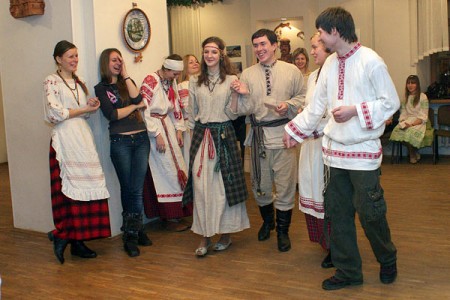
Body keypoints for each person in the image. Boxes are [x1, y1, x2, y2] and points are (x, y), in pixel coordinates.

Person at [283, 7, 398, 290]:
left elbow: (391, 102)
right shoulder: (330, 65)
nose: (319, 37)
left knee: (371, 213)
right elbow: (316, 107)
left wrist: (356, 111)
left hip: (363, 155)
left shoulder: (372, 61)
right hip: (334, 155)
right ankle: (348, 271)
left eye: (322, 32)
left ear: (335, 32)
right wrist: (293, 131)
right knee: (339, 215)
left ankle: (387, 258)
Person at [231, 29, 304, 252]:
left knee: (285, 186)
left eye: (263, 44)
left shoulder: (292, 71)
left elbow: (303, 98)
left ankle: (283, 232)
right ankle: (267, 222)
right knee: (260, 187)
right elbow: (242, 110)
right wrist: (243, 93)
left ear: (274, 46)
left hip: (284, 138)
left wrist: (289, 105)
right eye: (256, 45)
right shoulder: (248, 75)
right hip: (258, 138)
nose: (259, 49)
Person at [44, 40, 111, 264]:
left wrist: (88, 104)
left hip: (82, 138)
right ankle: (63, 236)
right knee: (68, 192)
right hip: (64, 139)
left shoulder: (79, 82)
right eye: (70, 56)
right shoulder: (51, 81)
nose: (74, 60)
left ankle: (78, 241)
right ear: (58, 59)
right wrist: (84, 108)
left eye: (76, 56)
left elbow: (80, 112)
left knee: (86, 187)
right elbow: (54, 113)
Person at [182, 36, 249, 257]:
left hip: (224, 135)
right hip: (202, 137)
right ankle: (204, 235)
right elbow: (191, 114)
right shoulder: (194, 81)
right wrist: (193, 144)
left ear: (221, 54)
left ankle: (226, 234)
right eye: (205, 52)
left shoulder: (231, 79)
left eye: (213, 51)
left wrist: (236, 95)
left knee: (223, 189)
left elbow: (233, 113)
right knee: (202, 190)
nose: (209, 56)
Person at [94, 48, 151, 258]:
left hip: (141, 140)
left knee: (136, 188)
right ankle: (132, 235)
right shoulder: (100, 88)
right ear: (105, 63)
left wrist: (126, 75)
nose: (118, 63)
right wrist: (134, 108)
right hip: (121, 142)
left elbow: (139, 99)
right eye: (114, 60)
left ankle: (135, 230)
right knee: (130, 190)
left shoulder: (126, 82)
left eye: (120, 59)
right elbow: (112, 114)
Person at [140, 54, 192, 232]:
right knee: (163, 170)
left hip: (168, 126)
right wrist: (156, 134)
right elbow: (143, 108)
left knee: (178, 168)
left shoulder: (171, 82)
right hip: (156, 128)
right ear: (167, 69)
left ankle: (179, 213)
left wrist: (179, 129)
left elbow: (176, 105)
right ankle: (167, 215)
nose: (176, 77)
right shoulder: (151, 80)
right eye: (174, 74)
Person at [296, 33, 333, 268]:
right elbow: (312, 107)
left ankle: (335, 246)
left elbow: (333, 112)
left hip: (327, 144)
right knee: (312, 190)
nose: (311, 52)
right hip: (310, 145)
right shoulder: (311, 78)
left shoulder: (338, 74)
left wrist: (316, 126)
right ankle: (324, 243)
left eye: (315, 47)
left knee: (328, 196)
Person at [389, 75, 429, 164]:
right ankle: (414, 152)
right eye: (408, 83)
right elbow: (403, 113)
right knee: (397, 131)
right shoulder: (405, 98)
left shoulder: (423, 97)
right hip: (408, 120)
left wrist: (412, 124)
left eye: (413, 83)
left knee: (410, 132)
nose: (410, 85)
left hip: (419, 121)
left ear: (417, 85)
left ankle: (412, 154)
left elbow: (424, 115)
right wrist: (403, 122)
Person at [178, 54, 200, 167]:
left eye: (196, 61)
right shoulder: (183, 86)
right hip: (190, 127)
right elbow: (188, 108)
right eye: (191, 62)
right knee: (192, 158)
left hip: (202, 125)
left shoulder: (201, 84)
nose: (195, 63)